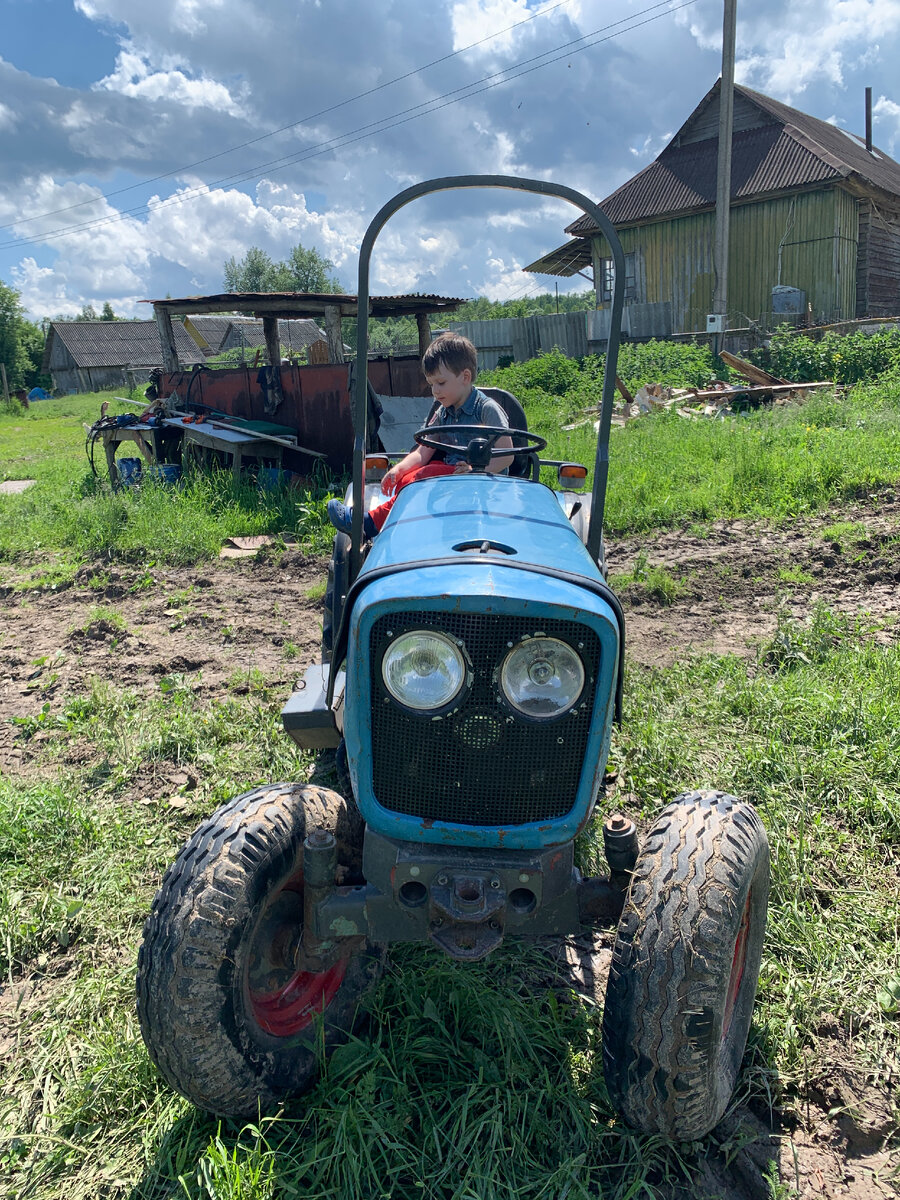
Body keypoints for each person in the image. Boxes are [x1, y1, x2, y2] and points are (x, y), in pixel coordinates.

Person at [327, 333, 513, 538]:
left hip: (483, 481)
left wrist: (474, 469)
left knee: (421, 477)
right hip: (453, 477)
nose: (434, 391)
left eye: (440, 383)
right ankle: (399, 528)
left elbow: (507, 455)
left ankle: (369, 524)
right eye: (431, 384)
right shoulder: (443, 412)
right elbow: (424, 450)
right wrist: (399, 469)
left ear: (465, 377)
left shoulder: (487, 409)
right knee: (404, 480)